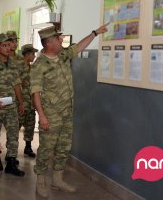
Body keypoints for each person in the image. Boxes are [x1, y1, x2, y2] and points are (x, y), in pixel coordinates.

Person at [31, 24, 107, 197]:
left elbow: (79, 46)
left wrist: (94, 33)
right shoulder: (39, 65)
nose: (61, 40)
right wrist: (41, 116)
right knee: (47, 148)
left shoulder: (63, 55)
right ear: (49, 42)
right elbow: (35, 92)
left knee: (64, 147)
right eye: (58, 38)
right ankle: (41, 180)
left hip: (67, 112)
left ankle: (57, 179)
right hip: (51, 115)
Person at [0, 33, 25, 176]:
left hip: (11, 106)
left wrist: (21, 103)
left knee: (13, 134)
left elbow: (17, 85)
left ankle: (11, 162)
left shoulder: (14, 63)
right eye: (4, 45)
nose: (8, 48)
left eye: (9, 45)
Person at [19, 44, 38, 157]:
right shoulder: (19, 67)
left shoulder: (32, 67)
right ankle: (11, 153)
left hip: (31, 103)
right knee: (15, 127)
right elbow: (15, 84)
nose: (34, 56)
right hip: (21, 103)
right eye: (32, 54)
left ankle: (28, 147)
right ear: (27, 54)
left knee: (30, 126)